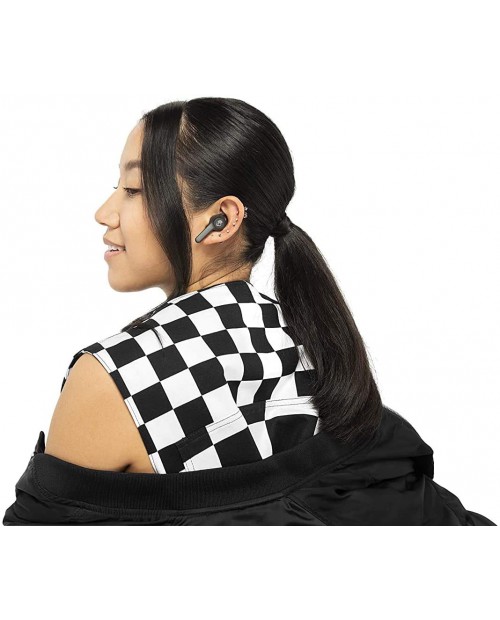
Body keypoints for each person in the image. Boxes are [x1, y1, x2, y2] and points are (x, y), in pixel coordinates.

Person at [3, 98, 496, 525]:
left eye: (133, 190)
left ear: (221, 220)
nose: (104, 212)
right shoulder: (307, 341)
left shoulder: (114, 378)